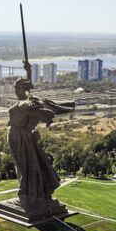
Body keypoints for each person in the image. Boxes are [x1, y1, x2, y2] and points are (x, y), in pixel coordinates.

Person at [7, 75, 74, 215]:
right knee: (24, 167)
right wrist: (28, 69)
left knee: (29, 167)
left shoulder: (26, 103)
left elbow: (43, 113)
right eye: (14, 87)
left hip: (22, 138)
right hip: (17, 138)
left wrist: (41, 119)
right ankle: (29, 195)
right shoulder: (25, 101)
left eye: (17, 87)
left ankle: (30, 195)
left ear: (24, 88)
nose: (15, 90)